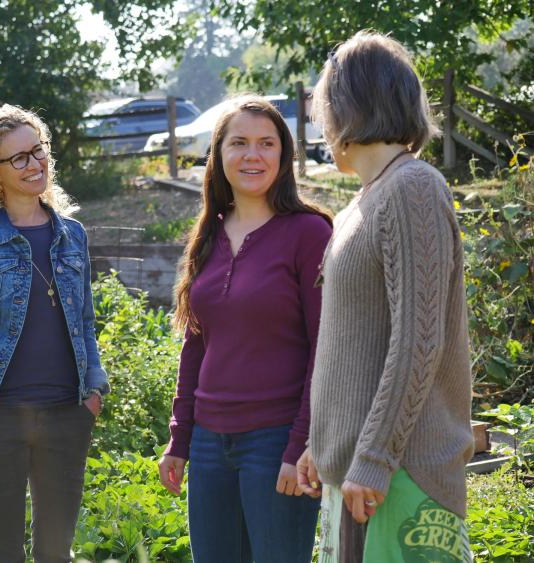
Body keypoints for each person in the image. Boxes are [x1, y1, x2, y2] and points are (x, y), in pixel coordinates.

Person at [296, 31, 474, 563]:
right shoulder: (363, 203)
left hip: (400, 477)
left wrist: (372, 457)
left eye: (324, 106)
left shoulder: (413, 187)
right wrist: (321, 444)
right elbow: (354, 343)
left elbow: (419, 342)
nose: (321, 124)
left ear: (349, 105)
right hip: (359, 475)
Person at [158, 94, 333, 563]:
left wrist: (301, 444)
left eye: (266, 143)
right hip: (210, 443)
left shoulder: (309, 233)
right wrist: (180, 437)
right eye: (238, 143)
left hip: (275, 440)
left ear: (285, 155)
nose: (252, 155)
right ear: (218, 155)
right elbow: (196, 344)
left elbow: (326, 347)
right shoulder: (209, 233)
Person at [0, 104, 109, 563]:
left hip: (66, 415)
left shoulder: (72, 235)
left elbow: (85, 322)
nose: (35, 164)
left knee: (56, 554)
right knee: (3, 554)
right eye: (19, 158)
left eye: (39, 150)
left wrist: (94, 392)